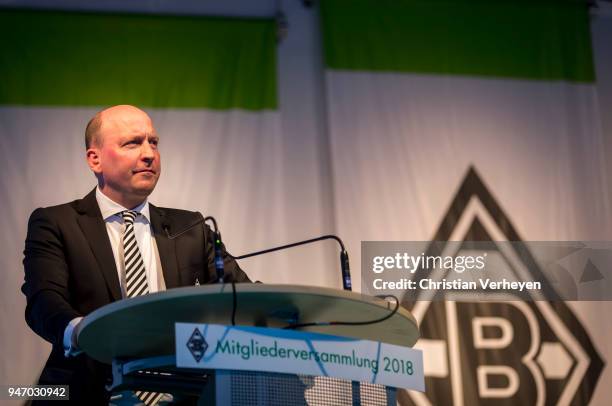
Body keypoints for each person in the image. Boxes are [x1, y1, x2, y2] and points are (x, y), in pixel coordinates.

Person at [22, 105, 250, 404]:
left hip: (183, 395)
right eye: (132, 143)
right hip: (83, 391)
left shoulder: (191, 227)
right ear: (95, 159)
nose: (149, 154)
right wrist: (86, 334)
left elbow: (243, 296)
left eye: (153, 142)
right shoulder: (56, 223)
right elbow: (44, 301)